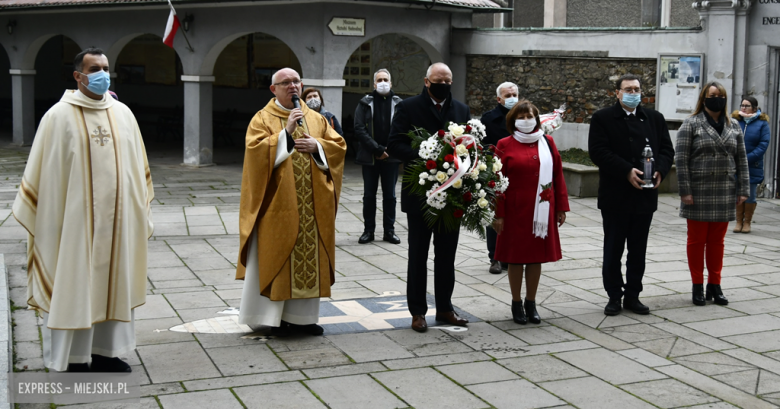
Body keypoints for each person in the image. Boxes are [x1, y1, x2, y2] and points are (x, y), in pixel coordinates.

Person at [12, 48, 154, 372]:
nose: (102, 74)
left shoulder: (123, 114)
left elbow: (137, 169)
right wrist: (49, 223)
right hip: (74, 227)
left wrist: (138, 211)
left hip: (117, 226)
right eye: (94, 68)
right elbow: (43, 176)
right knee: (76, 285)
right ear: (78, 75)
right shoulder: (58, 117)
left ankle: (107, 351)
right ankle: (75, 358)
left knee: (113, 283)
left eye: (105, 67)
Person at [236, 68, 346, 336]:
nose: (292, 87)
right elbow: (255, 156)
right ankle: (273, 318)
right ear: (273, 89)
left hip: (312, 206)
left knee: (309, 257)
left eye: (296, 82)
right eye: (285, 83)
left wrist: (318, 147)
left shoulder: (317, 119)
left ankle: (302, 319)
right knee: (279, 257)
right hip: (277, 207)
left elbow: (338, 147)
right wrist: (285, 134)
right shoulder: (261, 119)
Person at [387, 62, 471, 333]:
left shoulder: (460, 109)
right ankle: (418, 312)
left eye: (448, 81)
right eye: (438, 80)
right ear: (426, 81)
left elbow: (469, 145)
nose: (443, 85)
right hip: (420, 193)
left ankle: (445, 307)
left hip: (452, 195)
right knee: (418, 254)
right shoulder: (408, 107)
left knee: (447, 255)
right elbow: (394, 144)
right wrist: (427, 155)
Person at [588, 73, 674, 316]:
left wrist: (660, 170)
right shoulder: (603, 117)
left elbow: (667, 149)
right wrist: (626, 170)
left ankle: (633, 294)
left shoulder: (654, 118)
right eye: (628, 89)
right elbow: (598, 151)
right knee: (613, 249)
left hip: (644, 197)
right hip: (616, 196)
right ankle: (614, 295)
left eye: (636, 89)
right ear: (617, 93)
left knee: (638, 250)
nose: (633, 93)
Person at [493, 100, 569, 324]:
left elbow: (557, 176)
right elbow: (496, 182)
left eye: (530, 117)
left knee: (536, 258)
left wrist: (562, 206)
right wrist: (498, 213)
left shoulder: (548, 142)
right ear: (513, 121)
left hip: (542, 209)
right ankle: (516, 303)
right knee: (516, 259)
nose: (526, 121)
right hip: (514, 211)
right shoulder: (504, 144)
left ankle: (531, 302)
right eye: (521, 117)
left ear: (537, 119)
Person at [676, 81, 749, 306]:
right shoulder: (691, 124)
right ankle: (697, 285)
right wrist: (685, 191)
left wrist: (744, 189)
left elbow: (742, 160)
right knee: (697, 241)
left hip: (724, 191)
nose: (716, 98)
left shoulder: (734, 125)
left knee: (717, 242)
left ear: (725, 99)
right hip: (698, 191)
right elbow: (681, 160)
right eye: (712, 94)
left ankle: (714, 285)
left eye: (720, 95)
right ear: (703, 98)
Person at [354, 69, 403, 245]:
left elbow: (402, 129)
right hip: (370, 157)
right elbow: (359, 128)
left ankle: (389, 231)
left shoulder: (399, 104)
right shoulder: (364, 103)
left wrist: (388, 150)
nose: (382, 82)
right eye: (379, 80)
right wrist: (377, 149)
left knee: (390, 196)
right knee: (369, 196)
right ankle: (369, 231)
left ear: (391, 83)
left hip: (391, 156)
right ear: (374, 84)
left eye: (385, 79)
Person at [480, 81, 518, 274]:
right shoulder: (489, 119)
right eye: (507, 95)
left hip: (518, 173)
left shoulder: (523, 116)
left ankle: (508, 256)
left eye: (514, 94)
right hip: (496, 172)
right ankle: (494, 256)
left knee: (514, 216)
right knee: (495, 214)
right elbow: (483, 146)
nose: (512, 98)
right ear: (499, 99)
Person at [732, 96, 770, 233]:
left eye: (747, 106)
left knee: (750, 194)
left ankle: (747, 222)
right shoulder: (735, 121)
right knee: (737, 192)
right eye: (742, 105)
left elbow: (763, 144)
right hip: (735, 164)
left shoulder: (762, 123)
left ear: (754, 108)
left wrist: (746, 158)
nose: (743, 108)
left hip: (752, 164)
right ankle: (738, 221)